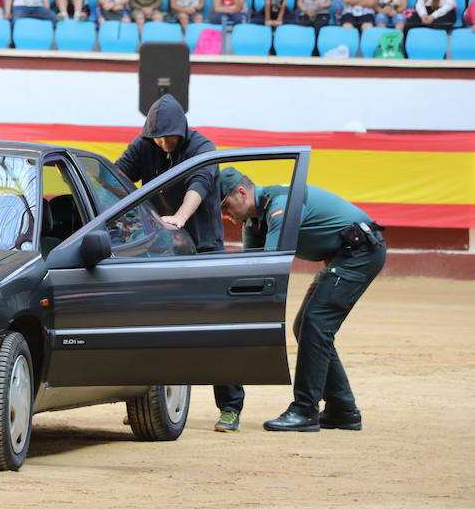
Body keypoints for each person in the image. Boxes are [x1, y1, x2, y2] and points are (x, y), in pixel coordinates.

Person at [219, 167, 385, 432]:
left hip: (359, 254)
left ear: (241, 192)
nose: (225, 215)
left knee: (317, 324)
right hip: (343, 256)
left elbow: (272, 267)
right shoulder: (255, 220)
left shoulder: (279, 204)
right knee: (306, 326)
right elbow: (252, 269)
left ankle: (305, 410)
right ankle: (342, 410)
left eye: (226, 206)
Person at [116, 94, 244, 434]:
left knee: (216, 330)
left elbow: (198, 186)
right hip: (164, 249)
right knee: (156, 327)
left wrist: (179, 218)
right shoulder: (143, 145)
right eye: (155, 137)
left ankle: (230, 408)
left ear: (181, 131)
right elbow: (116, 180)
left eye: (166, 137)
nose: (161, 143)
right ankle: (150, 403)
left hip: (204, 248)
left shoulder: (203, 147)